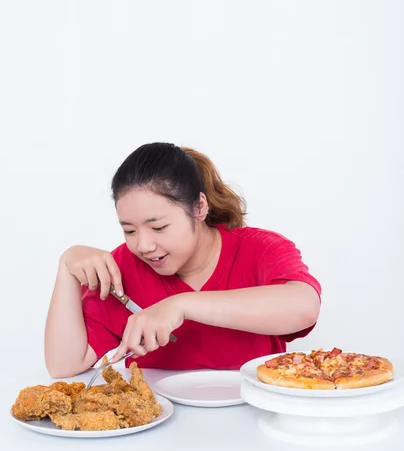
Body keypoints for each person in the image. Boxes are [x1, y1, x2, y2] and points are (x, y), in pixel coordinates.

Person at [45, 142, 321, 378]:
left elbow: (304, 307)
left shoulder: (259, 249)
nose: (143, 245)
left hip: (253, 425)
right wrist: (66, 266)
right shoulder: (123, 267)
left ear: (199, 207)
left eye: (159, 227)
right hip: (155, 432)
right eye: (129, 230)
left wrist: (181, 305)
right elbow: (63, 365)